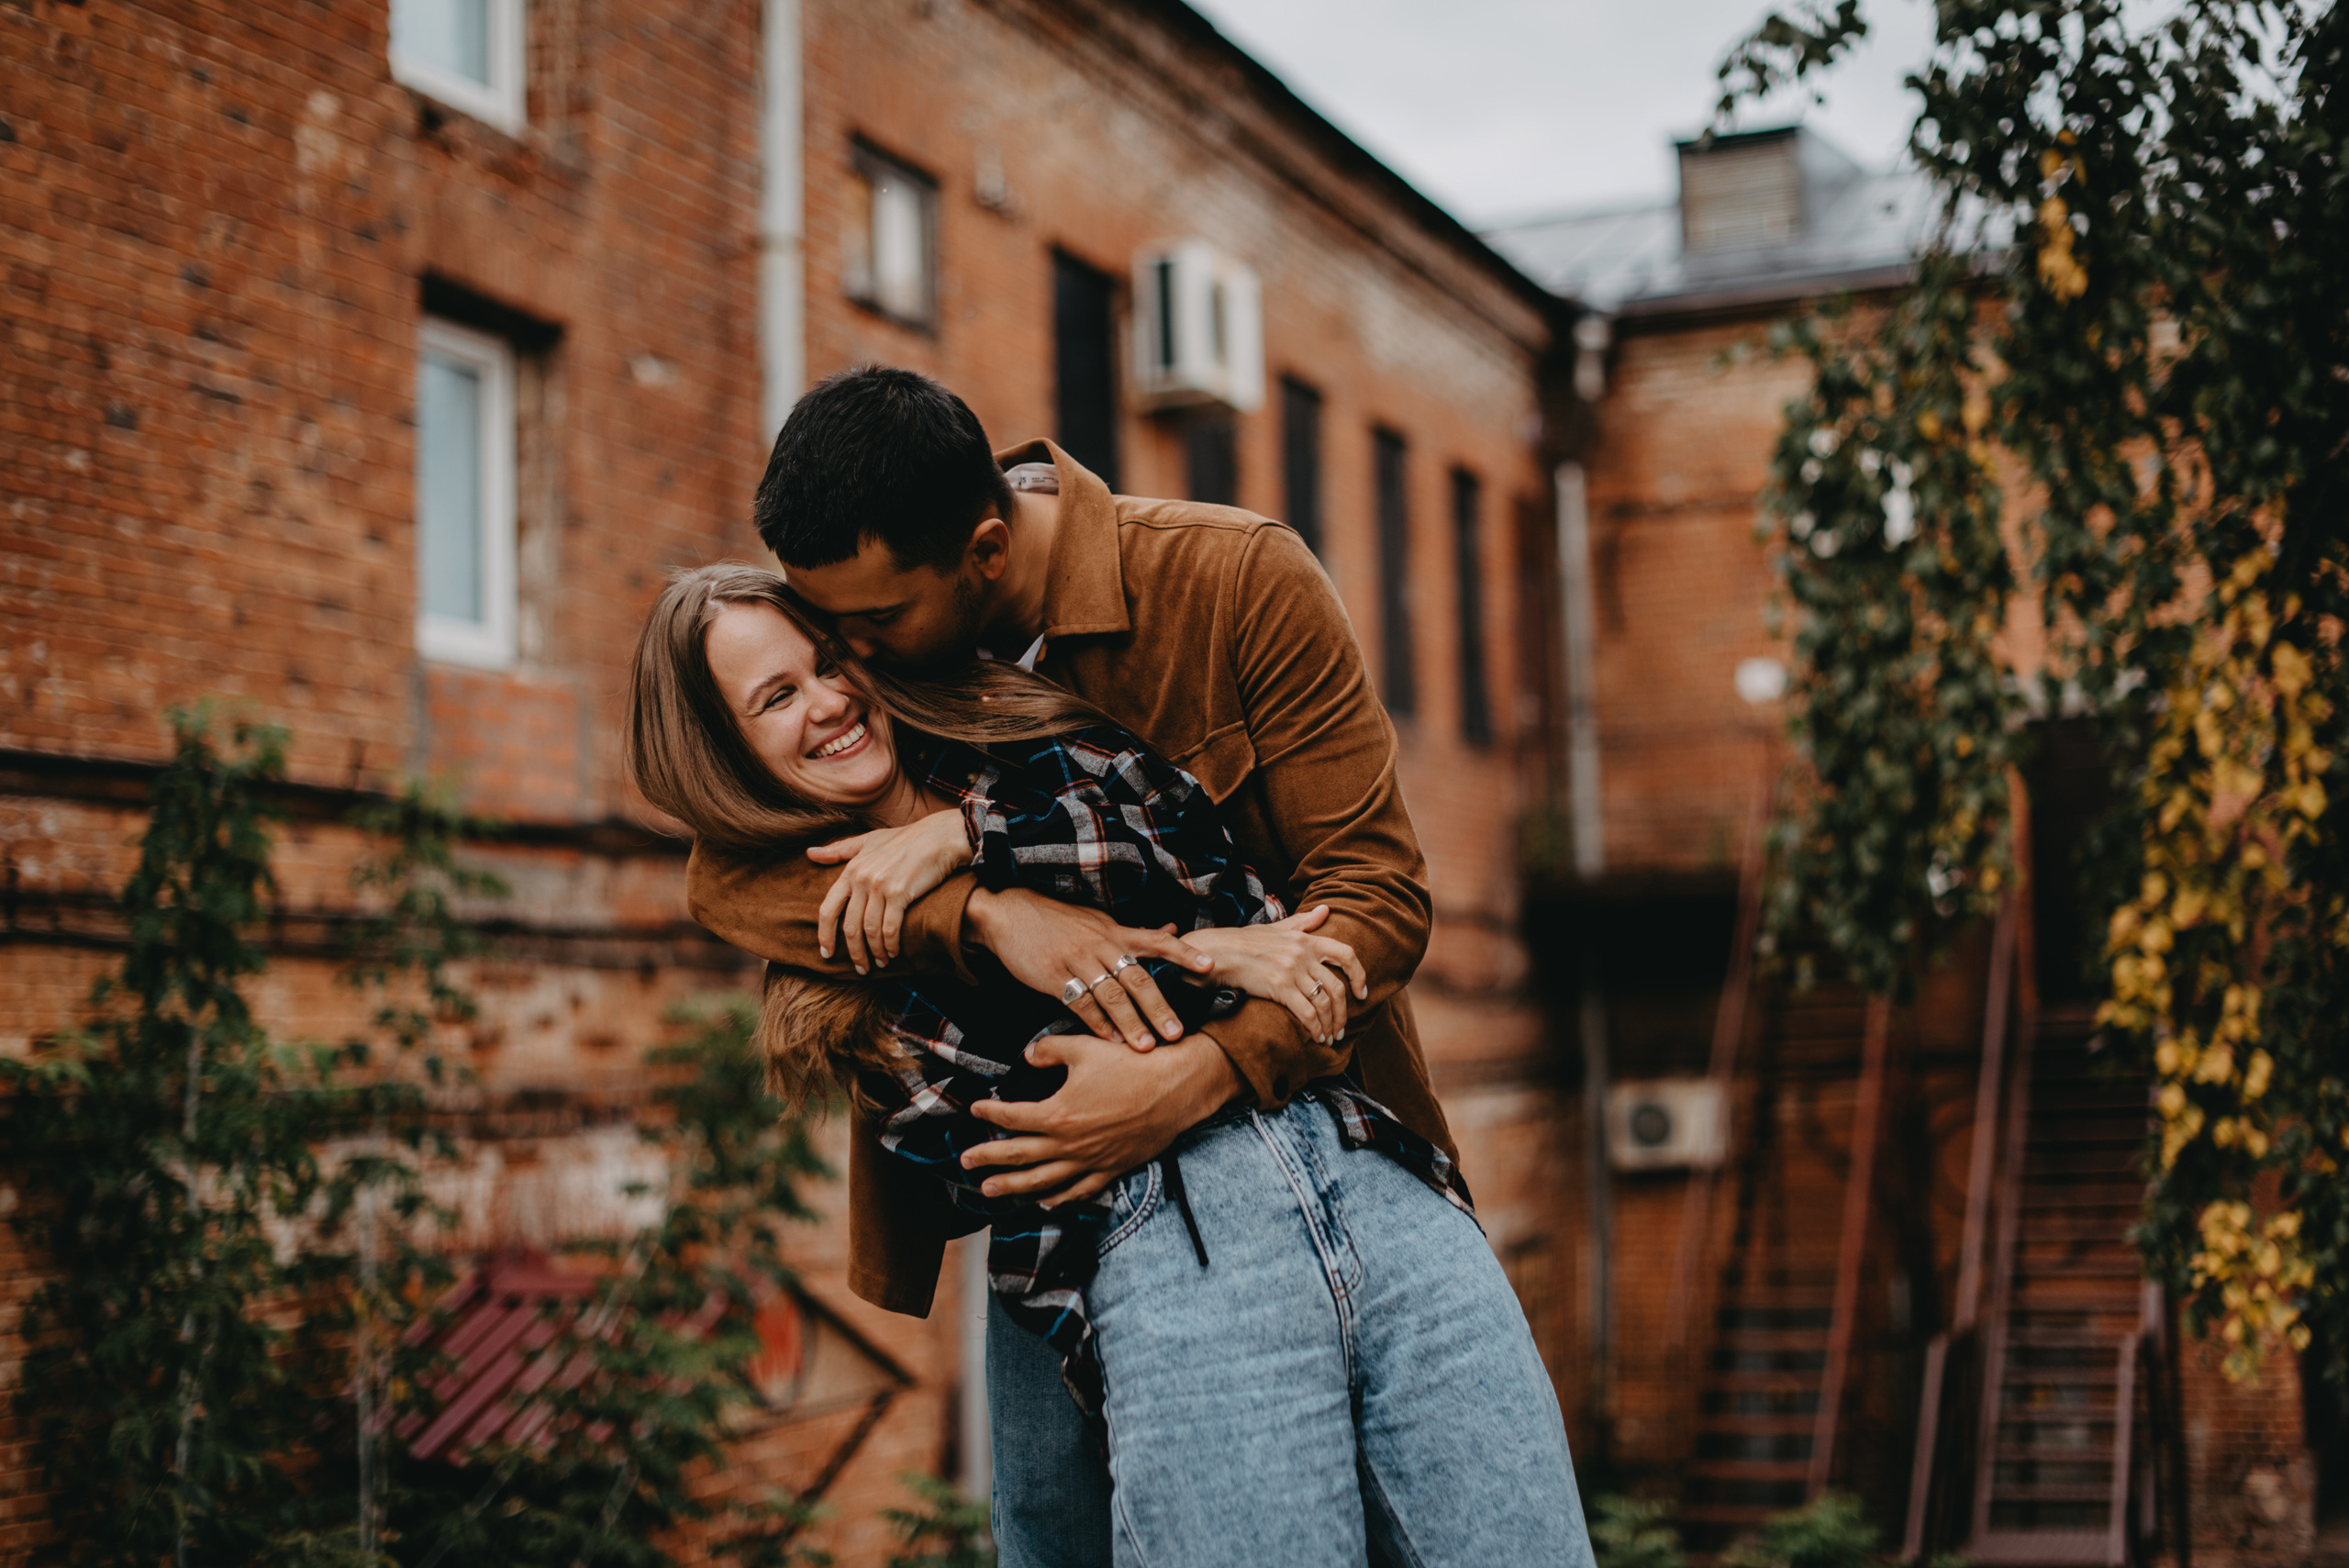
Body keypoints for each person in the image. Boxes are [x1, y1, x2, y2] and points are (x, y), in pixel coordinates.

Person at [685, 367, 1592, 1566]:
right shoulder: (877, 645)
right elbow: (730, 869)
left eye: (870, 626)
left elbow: (1374, 896)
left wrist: (1190, 1069)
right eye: (822, 633)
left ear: (987, 550)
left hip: (1334, 1120)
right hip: (1092, 1214)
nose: (846, 662)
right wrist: (991, 915)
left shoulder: (1231, 578)